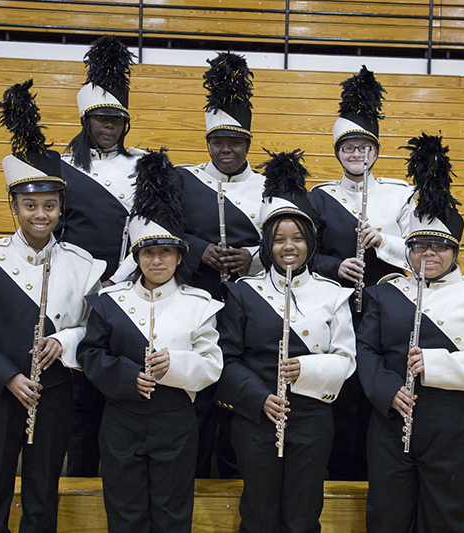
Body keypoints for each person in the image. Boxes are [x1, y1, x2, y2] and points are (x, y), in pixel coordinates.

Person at [0, 80, 104, 533]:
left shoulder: (83, 265)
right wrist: (7, 375)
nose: (40, 215)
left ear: (61, 208)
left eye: (49, 205)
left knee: (43, 497)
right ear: (14, 206)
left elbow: (94, 326)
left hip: (54, 396)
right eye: (30, 205)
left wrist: (64, 340)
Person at [356, 134, 464, 532]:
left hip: (456, 427)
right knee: (385, 518)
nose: (427, 254)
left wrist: (434, 363)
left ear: (456, 250)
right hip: (391, 421)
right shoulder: (385, 292)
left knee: (444, 519)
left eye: (438, 246)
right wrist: (386, 390)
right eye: (418, 245)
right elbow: (365, 351)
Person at [77, 149, 223, 532]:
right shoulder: (111, 303)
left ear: (178, 257)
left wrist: (175, 365)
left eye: (165, 253)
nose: (156, 261)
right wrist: (126, 377)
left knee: (173, 513)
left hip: (176, 419)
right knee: (124, 513)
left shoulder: (200, 304)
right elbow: (91, 354)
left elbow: (211, 364)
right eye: (148, 253)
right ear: (137, 257)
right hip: (121, 419)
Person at [215, 150, 356, 532]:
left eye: (297, 238)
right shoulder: (243, 293)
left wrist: (305, 369)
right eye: (279, 239)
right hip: (255, 417)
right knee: (258, 515)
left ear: (310, 242)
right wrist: (259, 398)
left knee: (303, 515)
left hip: (311, 419)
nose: (288, 247)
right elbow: (225, 360)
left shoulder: (332, 293)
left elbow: (345, 358)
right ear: (267, 246)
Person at [308, 66, 413, 481]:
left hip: (386, 308)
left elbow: (423, 254)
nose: (356, 155)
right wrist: (338, 266)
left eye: (363, 147)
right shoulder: (321, 196)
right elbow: (303, 255)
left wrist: (382, 241)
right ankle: (337, 473)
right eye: (348, 148)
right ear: (338, 152)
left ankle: (376, 473)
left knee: (376, 388)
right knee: (343, 391)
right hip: (337, 308)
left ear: (375, 150)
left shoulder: (401, 193)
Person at [176, 51, 266, 478]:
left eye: (235, 141)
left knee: (240, 393)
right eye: (217, 141)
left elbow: (297, 242)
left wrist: (252, 257)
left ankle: (235, 478)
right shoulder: (182, 178)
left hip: (251, 306)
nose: (225, 149)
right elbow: (149, 230)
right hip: (194, 300)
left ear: (247, 142)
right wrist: (197, 249)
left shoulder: (271, 186)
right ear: (207, 141)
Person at [60, 34, 146, 477]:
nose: (109, 127)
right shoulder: (61, 166)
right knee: (80, 391)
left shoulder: (145, 165)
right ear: (85, 119)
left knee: (121, 381)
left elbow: (150, 227)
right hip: (78, 290)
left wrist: (123, 276)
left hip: (130, 285)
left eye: (116, 119)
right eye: (100, 119)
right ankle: (79, 476)